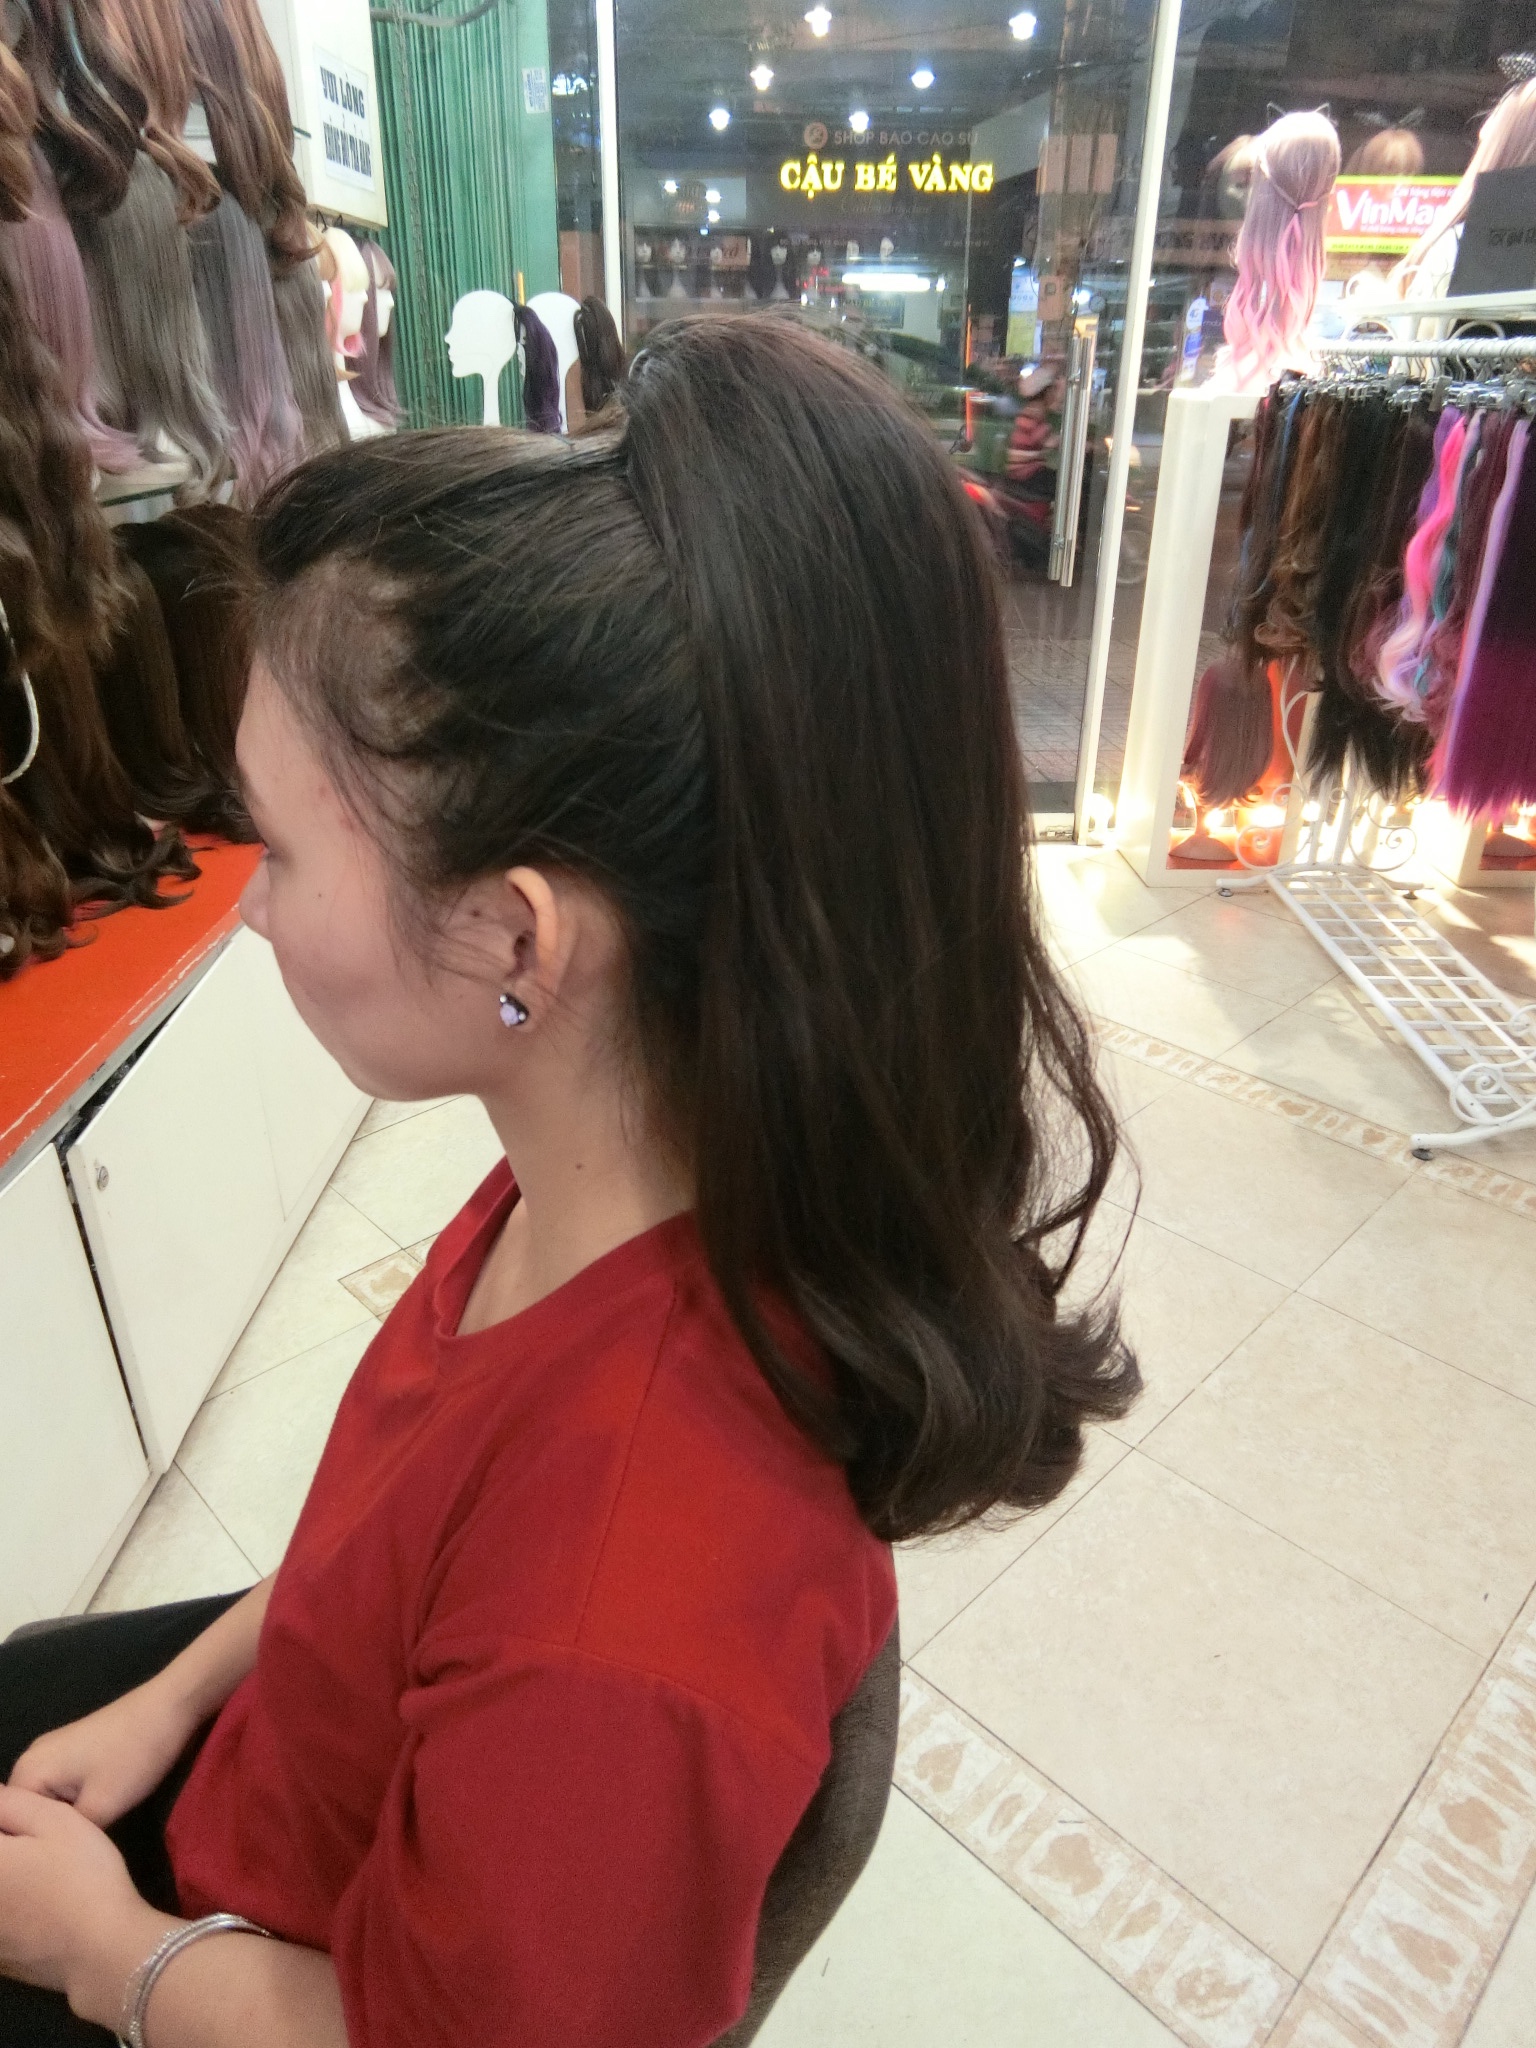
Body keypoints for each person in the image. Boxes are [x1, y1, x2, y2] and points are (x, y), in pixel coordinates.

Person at [0, 317, 1137, 2048]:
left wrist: (106, 1952)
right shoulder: (611, 1182)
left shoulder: (623, 1611)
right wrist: (176, 1698)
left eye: (277, 849)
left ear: (517, 938)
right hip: (263, 1797)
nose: (250, 909)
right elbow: (393, 1540)